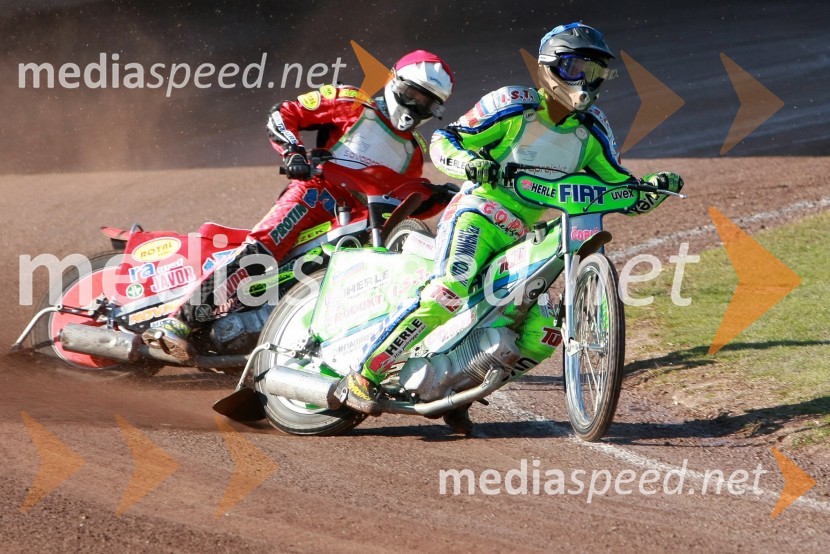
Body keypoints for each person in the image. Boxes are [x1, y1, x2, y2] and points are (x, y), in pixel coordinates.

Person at [337, 22, 683, 433]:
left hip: (522, 237)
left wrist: (651, 189)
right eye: (575, 68)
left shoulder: (593, 128)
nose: (585, 82)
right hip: (477, 215)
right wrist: (469, 163)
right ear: (549, 67)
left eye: (595, 73)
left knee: (543, 333)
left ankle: (458, 387)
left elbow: (618, 187)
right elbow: (446, 140)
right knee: (449, 290)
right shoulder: (512, 104)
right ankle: (363, 374)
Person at [143, 50, 455, 360]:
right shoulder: (352, 101)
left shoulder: (414, 151)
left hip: (356, 224)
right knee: (260, 252)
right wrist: (293, 152)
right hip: (313, 195)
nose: (416, 105)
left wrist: (439, 196)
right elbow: (284, 114)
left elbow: (402, 200)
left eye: (427, 102)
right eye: (411, 93)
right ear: (393, 81)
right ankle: (179, 320)